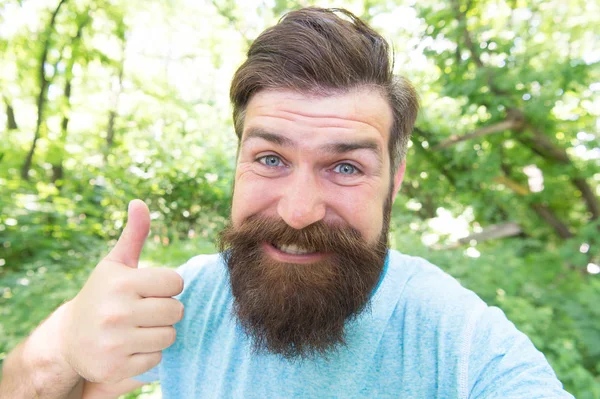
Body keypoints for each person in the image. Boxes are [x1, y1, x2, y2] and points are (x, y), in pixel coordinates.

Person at [0, 7, 573, 399]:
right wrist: (67, 344)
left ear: (393, 183)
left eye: (345, 166)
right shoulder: (184, 302)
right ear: (238, 162)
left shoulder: (457, 337)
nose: (299, 211)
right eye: (271, 159)